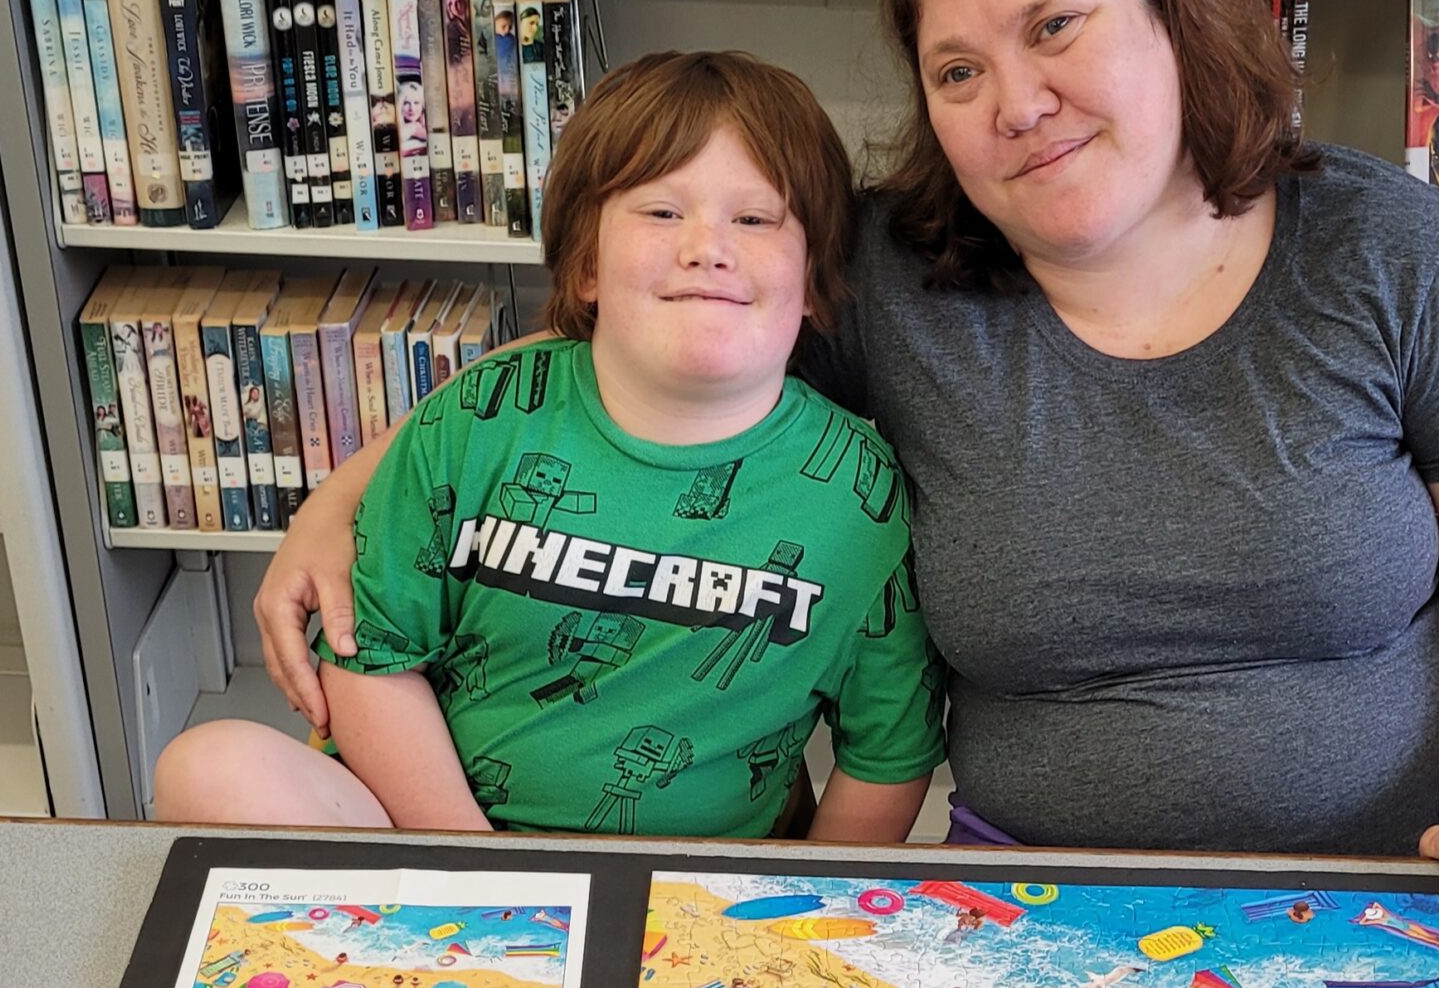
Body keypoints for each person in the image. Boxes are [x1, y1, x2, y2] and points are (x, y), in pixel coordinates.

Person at [251, 0, 1439, 927]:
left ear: (1175, 8)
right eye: (957, 71)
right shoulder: (891, 275)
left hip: (1396, 891)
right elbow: (609, 356)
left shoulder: (1382, 248)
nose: (1015, 103)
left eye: (1055, 26)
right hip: (1022, 905)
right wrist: (343, 503)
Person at [155, 51, 944, 841]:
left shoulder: (859, 496)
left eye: (754, 219)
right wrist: (484, 872)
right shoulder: (478, 417)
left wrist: (793, 904)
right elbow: (371, 663)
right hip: (445, 846)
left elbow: (886, 752)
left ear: (814, 279)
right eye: (661, 212)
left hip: (698, 891)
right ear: (585, 265)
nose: (707, 247)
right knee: (207, 767)